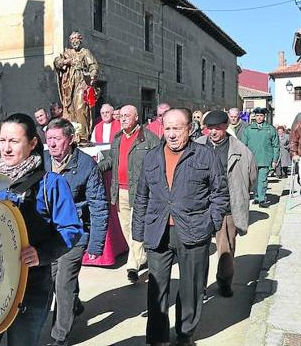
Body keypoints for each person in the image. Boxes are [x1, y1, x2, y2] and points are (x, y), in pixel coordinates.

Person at [0, 113, 84, 346]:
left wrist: (41, 253)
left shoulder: (51, 183)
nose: (6, 148)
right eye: (3, 140)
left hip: (32, 286)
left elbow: (72, 229)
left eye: (14, 141)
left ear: (33, 143)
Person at [132, 108, 229, 346]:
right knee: (157, 289)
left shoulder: (205, 156)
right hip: (158, 231)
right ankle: (157, 338)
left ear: (189, 129)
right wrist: (138, 233)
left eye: (177, 128)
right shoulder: (152, 157)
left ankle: (185, 334)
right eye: (167, 128)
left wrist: (210, 224)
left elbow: (220, 194)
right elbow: (141, 197)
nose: (172, 134)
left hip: (194, 231)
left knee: (191, 287)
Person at [44, 118, 108, 346]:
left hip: (75, 233)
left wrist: (96, 243)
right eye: (48, 138)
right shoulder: (42, 162)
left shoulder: (86, 166)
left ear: (70, 140)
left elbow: (98, 204)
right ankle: (75, 303)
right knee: (52, 279)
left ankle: (59, 336)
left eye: (57, 139)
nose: (51, 144)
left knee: (63, 283)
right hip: (49, 234)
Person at [196, 110, 257, 297]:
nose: (213, 132)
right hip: (200, 206)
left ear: (225, 127)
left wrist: (238, 194)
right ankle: (199, 287)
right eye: (210, 128)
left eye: (217, 128)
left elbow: (251, 177)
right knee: (198, 250)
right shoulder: (196, 146)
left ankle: (224, 282)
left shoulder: (240, 150)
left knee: (226, 249)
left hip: (227, 206)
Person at [99, 105, 159, 283]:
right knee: (127, 229)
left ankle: (132, 265)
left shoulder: (148, 138)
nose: (123, 119)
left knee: (136, 228)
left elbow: (158, 162)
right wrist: (96, 169)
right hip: (120, 191)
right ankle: (141, 256)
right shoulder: (117, 138)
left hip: (139, 193)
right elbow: (111, 160)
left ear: (136, 117)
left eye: (127, 116)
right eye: (121, 116)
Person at [54, 31, 99, 143]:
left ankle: (82, 136)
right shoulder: (66, 52)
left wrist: (92, 76)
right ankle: (71, 135)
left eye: (76, 38)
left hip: (81, 82)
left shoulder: (85, 52)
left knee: (80, 107)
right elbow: (57, 62)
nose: (74, 41)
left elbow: (93, 65)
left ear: (81, 39)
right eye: (72, 39)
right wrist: (66, 61)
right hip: (68, 84)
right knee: (69, 110)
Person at [241, 107, 279, 208]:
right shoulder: (248, 130)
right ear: (254, 117)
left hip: (265, 159)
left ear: (264, 116)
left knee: (262, 180)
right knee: (254, 180)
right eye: (257, 116)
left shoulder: (271, 129)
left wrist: (275, 160)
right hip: (252, 160)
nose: (259, 118)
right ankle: (257, 197)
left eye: (261, 116)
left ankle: (262, 199)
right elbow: (243, 146)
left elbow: (276, 146)